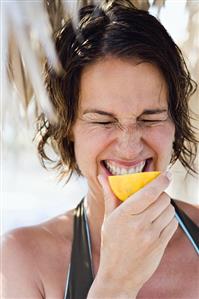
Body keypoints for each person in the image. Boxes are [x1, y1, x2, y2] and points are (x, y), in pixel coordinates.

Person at [2, 1, 199, 298]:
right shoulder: (23, 261)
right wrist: (116, 282)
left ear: (174, 122)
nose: (129, 145)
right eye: (103, 121)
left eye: (150, 118)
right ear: (69, 127)